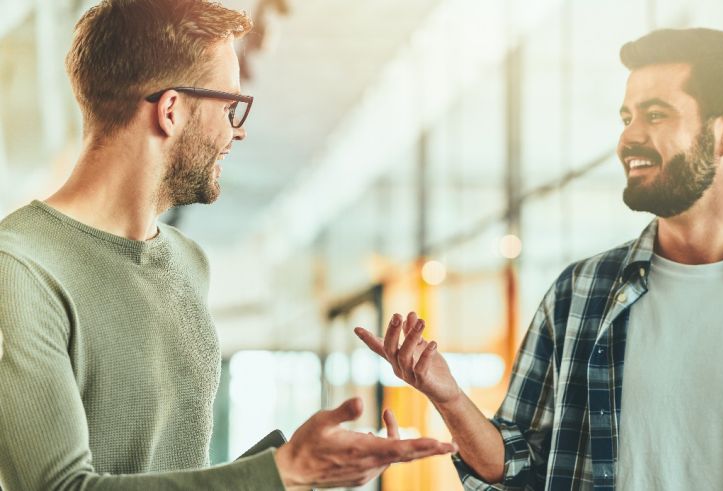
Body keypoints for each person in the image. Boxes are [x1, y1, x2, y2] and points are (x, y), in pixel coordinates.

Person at [356, 28, 723, 490]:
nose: (628, 139)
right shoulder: (578, 293)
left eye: (656, 115)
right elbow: (518, 468)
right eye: (627, 118)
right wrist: (449, 397)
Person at [0, 1, 455, 489]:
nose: (237, 130)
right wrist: (281, 472)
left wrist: (300, 464)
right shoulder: (22, 266)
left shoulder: (188, 262)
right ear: (171, 111)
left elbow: (176, 476)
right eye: (229, 106)